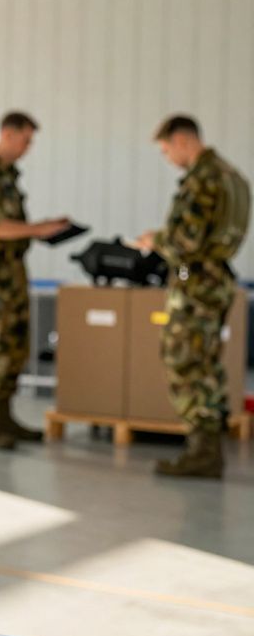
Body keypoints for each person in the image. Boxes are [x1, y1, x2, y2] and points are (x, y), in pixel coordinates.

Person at [135, 115, 248, 479]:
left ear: (182, 140)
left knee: (185, 362)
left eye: (167, 149)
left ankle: (203, 451)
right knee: (206, 364)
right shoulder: (233, 177)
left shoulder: (204, 179)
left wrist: (156, 240)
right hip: (216, 280)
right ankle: (208, 447)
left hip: (196, 284)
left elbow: (186, 241)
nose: (168, 157)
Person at [0, 112, 69, 450]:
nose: (28, 147)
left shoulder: (6, 176)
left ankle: (3, 416)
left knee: (15, 348)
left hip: (14, 272)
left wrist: (42, 228)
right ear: (7, 133)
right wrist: (39, 229)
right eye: (26, 139)